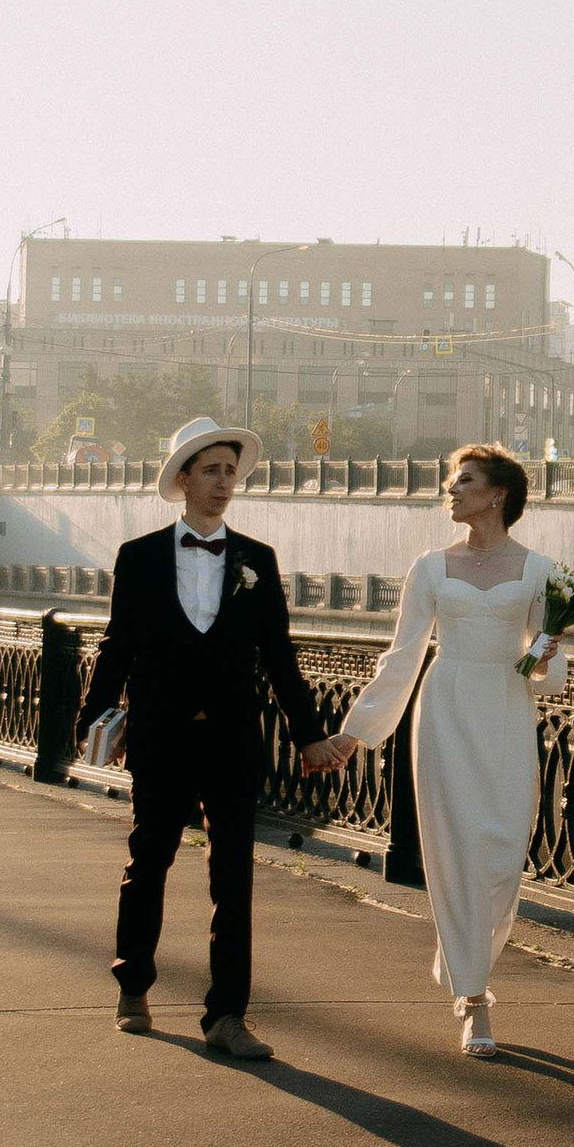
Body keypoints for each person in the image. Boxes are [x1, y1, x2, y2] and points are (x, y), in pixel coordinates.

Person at [73, 414, 340, 1062]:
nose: (224, 483)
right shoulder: (137, 559)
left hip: (231, 740)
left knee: (233, 878)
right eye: (213, 470)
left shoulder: (257, 561)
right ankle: (133, 985)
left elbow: (279, 656)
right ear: (184, 478)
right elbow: (117, 646)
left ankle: (227, 1016)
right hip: (160, 737)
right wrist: (93, 718)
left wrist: (309, 736)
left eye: (231, 472)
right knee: (149, 863)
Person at [314, 444, 559, 1056]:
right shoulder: (430, 567)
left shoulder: (540, 570)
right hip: (445, 708)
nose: (451, 490)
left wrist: (547, 655)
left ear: (497, 494)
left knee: (502, 855)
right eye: (452, 481)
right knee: (453, 853)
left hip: (505, 709)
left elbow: (548, 678)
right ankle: (475, 1000)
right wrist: (357, 731)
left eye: (464, 481)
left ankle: (467, 963)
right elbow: (402, 657)